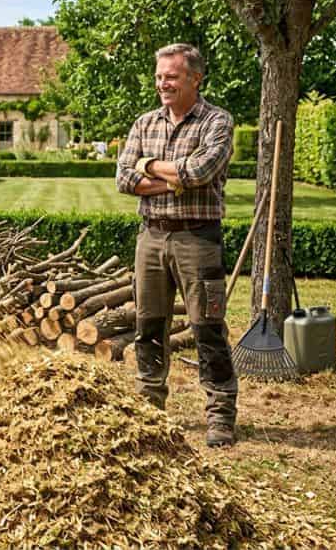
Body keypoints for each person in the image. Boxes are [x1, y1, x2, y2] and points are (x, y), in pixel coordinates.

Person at [116, 43, 237, 448]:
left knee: (207, 328)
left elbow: (200, 171)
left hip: (197, 237)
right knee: (148, 325)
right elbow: (123, 179)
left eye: (171, 76)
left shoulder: (217, 121)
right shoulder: (144, 123)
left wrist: (147, 166)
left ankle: (220, 415)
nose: (162, 84)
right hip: (151, 237)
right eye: (159, 77)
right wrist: (174, 179)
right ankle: (150, 408)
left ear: (195, 78)